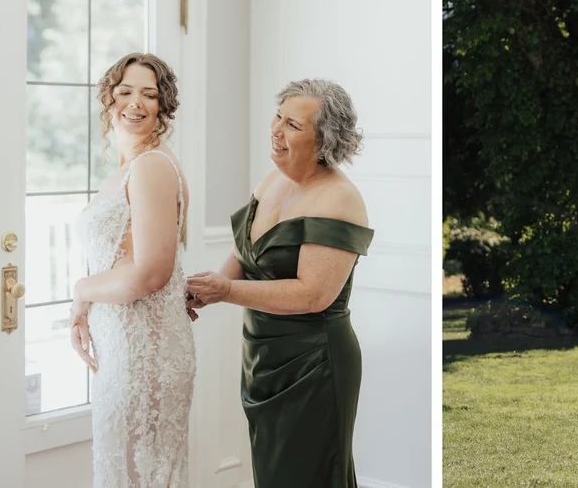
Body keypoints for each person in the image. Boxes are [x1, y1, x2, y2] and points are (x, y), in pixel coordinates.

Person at [186, 78, 374, 488]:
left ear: (324, 141)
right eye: (277, 116)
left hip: (314, 364)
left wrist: (228, 292)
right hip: (263, 357)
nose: (276, 129)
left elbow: (312, 294)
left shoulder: (338, 200)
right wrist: (214, 284)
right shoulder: (273, 179)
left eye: (292, 125)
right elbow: (244, 249)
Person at [70, 52, 196, 488]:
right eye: (125, 91)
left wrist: (82, 289)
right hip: (121, 350)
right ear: (108, 98)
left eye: (150, 94)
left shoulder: (152, 166)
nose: (135, 103)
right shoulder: (129, 168)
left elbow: (150, 273)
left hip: (146, 356)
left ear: (164, 105)